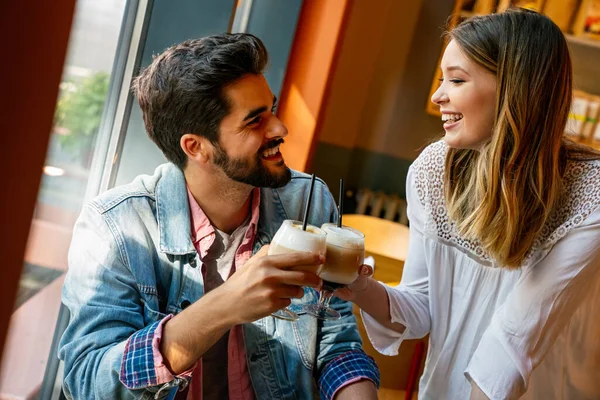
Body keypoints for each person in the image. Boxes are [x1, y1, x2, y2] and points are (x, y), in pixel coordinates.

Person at [58, 33, 379, 400]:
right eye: (255, 121)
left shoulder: (308, 200)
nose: (279, 129)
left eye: (271, 109)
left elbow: (336, 343)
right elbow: (87, 381)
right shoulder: (115, 228)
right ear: (196, 147)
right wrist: (225, 305)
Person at [337, 9, 600, 400]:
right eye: (442, 78)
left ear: (516, 90)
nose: (437, 95)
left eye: (457, 80)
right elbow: (421, 306)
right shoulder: (433, 170)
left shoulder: (589, 193)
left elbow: (513, 342)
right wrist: (356, 287)